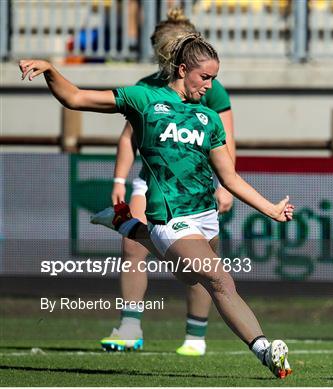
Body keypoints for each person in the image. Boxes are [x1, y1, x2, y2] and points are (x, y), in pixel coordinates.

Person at [19, 33, 294, 379]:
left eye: (214, 78)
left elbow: (230, 177)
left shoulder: (206, 119)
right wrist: (49, 70)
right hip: (171, 218)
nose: (210, 86)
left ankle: (125, 224)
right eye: (204, 77)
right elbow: (74, 97)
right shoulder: (144, 99)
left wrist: (269, 208)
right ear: (182, 69)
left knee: (189, 277)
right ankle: (267, 352)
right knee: (220, 279)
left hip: (205, 216)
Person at [104, 8, 236, 356]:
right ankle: (130, 325)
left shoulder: (209, 87)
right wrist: (120, 177)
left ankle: (195, 334)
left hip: (195, 187)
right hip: (151, 182)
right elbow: (128, 138)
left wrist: (225, 185)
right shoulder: (147, 88)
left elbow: (226, 140)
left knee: (204, 264)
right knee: (132, 245)